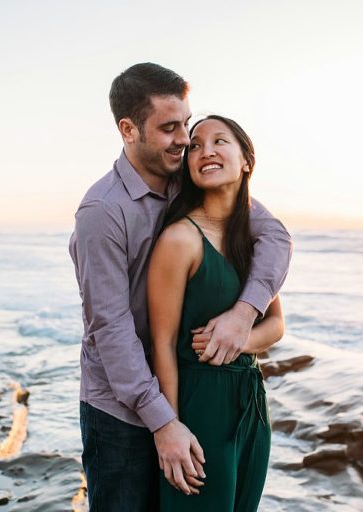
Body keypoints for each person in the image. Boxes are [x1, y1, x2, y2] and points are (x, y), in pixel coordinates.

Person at [69, 63, 292, 512]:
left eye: (185, 124)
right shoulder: (103, 212)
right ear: (128, 130)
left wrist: (243, 315)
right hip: (123, 411)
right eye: (169, 128)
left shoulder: (190, 181)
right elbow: (111, 329)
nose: (185, 139)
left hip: (186, 398)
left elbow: (274, 237)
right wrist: (163, 422)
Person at [149, 115, 285, 511]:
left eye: (219, 141)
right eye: (195, 146)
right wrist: (170, 427)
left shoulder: (256, 242)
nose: (205, 151)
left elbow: (276, 324)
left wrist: (240, 337)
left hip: (252, 406)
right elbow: (161, 344)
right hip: (199, 405)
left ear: (246, 161)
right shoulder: (180, 239)